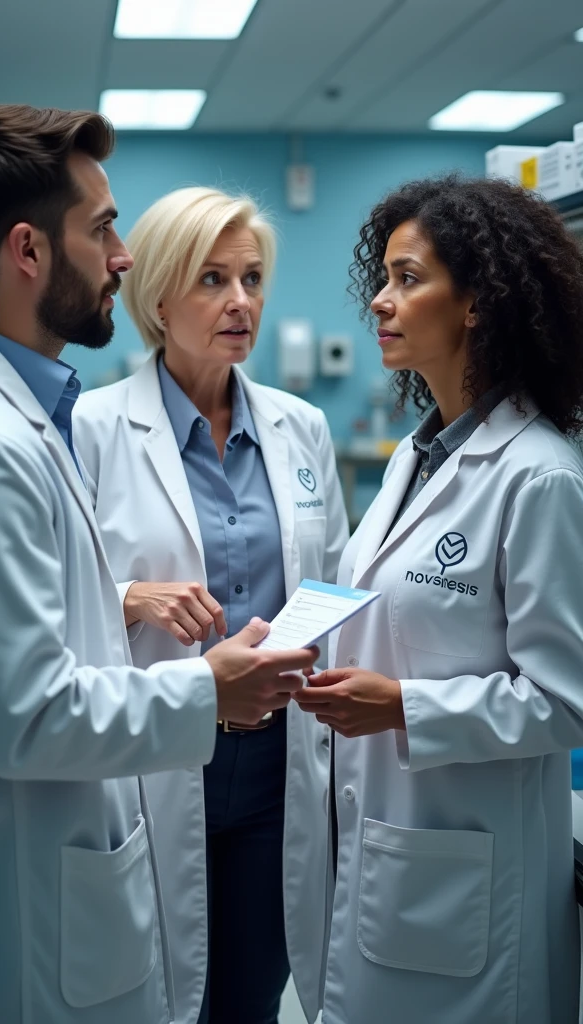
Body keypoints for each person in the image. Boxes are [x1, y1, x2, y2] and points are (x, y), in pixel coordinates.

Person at [0, 107, 318, 1024]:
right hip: (30, 929)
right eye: (101, 229)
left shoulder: (14, 421)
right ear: (29, 252)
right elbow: (32, 714)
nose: (121, 255)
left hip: (103, 864)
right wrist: (211, 691)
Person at [294, 173, 583, 1024]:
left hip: (473, 884)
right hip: (388, 846)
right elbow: (385, 604)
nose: (380, 302)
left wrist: (404, 708)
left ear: (478, 305)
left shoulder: (541, 478)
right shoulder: (413, 459)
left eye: (408, 279)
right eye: (382, 277)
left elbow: (567, 702)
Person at [73, 186, 349, 1024]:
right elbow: (55, 601)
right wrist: (128, 597)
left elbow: (332, 579)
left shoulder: (301, 429)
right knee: (150, 998)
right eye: (212, 279)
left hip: (278, 776)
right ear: (157, 296)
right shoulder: (90, 428)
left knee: (249, 998)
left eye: (253, 278)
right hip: (154, 762)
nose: (241, 302)